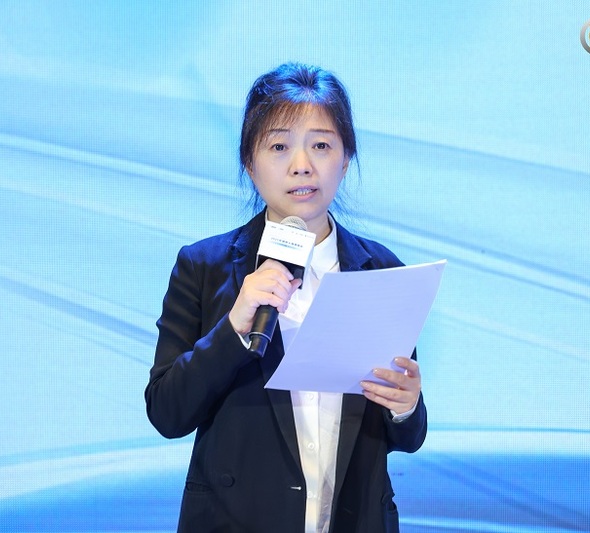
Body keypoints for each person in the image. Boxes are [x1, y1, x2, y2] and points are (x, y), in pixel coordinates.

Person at [145, 62, 427, 533]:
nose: (302, 165)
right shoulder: (205, 266)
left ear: (346, 159)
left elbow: (408, 437)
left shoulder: (381, 271)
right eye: (279, 146)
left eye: (321, 145)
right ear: (249, 163)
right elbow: (167, 413)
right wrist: (233, 329)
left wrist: (406, 405)